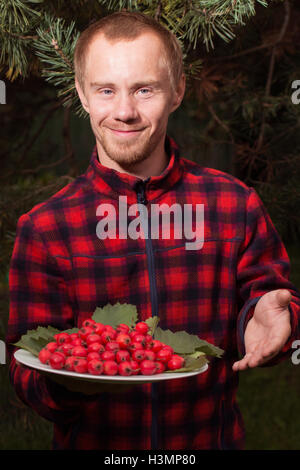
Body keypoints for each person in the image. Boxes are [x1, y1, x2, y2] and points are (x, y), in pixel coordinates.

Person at [6, 11, 300, 450]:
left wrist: (278, 323)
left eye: (145, 89)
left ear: (178, 91)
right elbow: (24, 363)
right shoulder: (47, 228)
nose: (124, 112)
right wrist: (67, 383)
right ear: (83, 95)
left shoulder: (234, 204)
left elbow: (272, 306)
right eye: (106, 90)